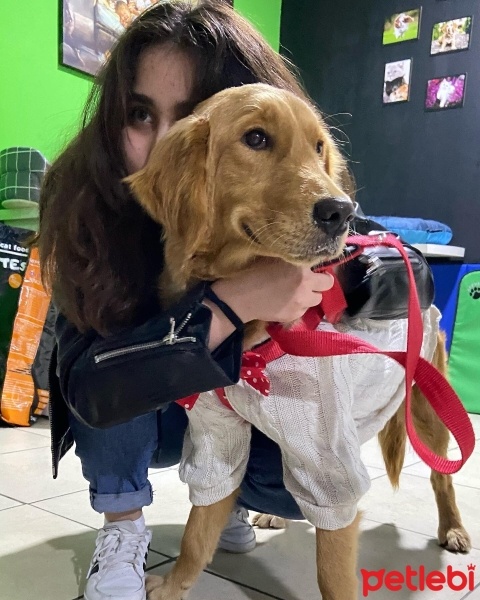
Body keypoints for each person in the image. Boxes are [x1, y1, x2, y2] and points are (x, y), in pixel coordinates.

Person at [38, 2, 334, 599]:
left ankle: (231, 505)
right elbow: (89, 390)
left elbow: (380, 253)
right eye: (140, 114)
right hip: (144, 412)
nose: (169, 142)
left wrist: (354, 277)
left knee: (292, 476)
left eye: (199, 114)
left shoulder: (299, 189)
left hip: (238, 424)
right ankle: (122, 528)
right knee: (103, 357)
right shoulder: (85, 204)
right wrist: (233, 301)